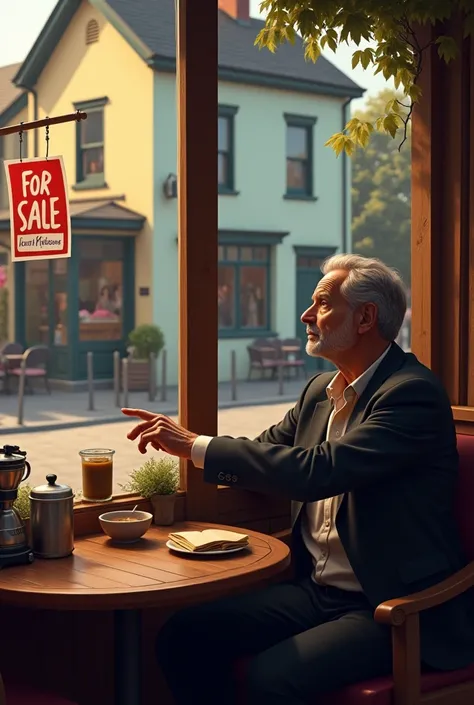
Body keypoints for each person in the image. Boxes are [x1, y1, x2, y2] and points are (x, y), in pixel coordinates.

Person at [122, 254, 474, 705]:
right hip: (316, 590)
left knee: (272, 679)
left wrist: (194, 444)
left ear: (366, 317)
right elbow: (269, 451)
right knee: (184, 635)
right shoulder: (318, 392)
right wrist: (194, 455)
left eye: (323, 303)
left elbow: (317, 471)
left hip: (392, 606)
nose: (307, 315)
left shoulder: (411, 394)